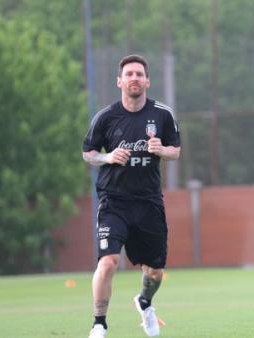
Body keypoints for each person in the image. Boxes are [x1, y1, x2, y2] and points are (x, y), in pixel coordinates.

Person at [82, 54, 181, 338]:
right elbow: (88, 155)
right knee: (108, 261)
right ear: (119, 81)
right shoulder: (105, 117)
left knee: (155, 273)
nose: (134, 78)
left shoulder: (163, 114)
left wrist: (161, 150)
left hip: (149, 202)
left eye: (139, 74)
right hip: (114, 201)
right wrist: (109, 156)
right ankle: (99, 323)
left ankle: (145, 302)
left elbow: (175, 151)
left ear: (147, 81)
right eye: (129, 74)